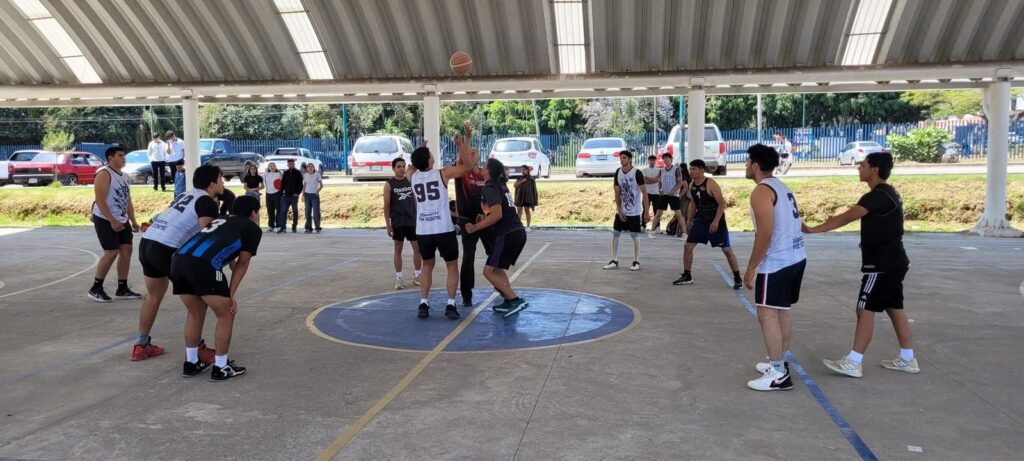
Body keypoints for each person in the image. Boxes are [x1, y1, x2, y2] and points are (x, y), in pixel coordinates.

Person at [805, 153, 918, 378]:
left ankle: (854, 362)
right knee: (894, 307)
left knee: (864, 309)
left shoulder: (877, 195)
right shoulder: (888, 192)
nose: (859, 168)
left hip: (882, 265)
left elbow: (848, 216)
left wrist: (814, 229)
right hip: (894, 261)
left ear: (874, 170)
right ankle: (907, 358)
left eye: (863, 165)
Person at [133, 164, 223, 362]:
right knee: (198, 305)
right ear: (212, 183)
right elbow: (206, 235)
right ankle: (197, 350)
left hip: (148, 243)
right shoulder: (207, 202)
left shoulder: (186, 194)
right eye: (220, 179)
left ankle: (141, 345)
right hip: (167, 248)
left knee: (153, 296)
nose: (223, 183)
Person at [172, 195, 263, 381]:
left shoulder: (221, 219)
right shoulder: (252, 228)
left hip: (178, 261)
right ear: (253, 213)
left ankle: (191, 362)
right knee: (226, 313)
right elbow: (243, 264)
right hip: (203, 265)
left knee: (195, 313)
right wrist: (230, 294)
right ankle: (221, 366)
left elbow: (223, 247)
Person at [740, 144, 807, 391]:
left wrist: (751, 267)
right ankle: (780, 362)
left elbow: (765, 233)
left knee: (767, 314)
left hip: (778, 261)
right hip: (796, 257)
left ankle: (778, 374)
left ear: (756, 165)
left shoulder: (761, 191)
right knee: (780, 312)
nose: (745, 165)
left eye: (748, 161)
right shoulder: (781, 186)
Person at [407, 125, 476, 319]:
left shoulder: (412, 177)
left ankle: (423, 303)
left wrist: (420, 151)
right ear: (429, 160)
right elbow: (468, 166)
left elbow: (411, 167)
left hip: (423, 229)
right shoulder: (442, 173)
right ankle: (451, 304)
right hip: (443, 228)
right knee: (451, 265)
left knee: (427, 265)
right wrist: (461, 145)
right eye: (429, 153)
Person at [466, 158, 529, 316]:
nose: (481, 167)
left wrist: (475, 227)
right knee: (497, 268)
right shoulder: (500, 184)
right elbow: (498, 211)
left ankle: (515, 299)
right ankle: (508, 300)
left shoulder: (490, 187)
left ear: (488, 171)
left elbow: (497, 215)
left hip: (507, 233)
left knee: (488, 271)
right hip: (516, 231)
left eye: (484, 166)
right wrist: (484, 216)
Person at [674, 159, 743, 289]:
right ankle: (687, 275)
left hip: (716, 221)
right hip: (700, 221)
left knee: (727, 250)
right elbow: (694, 203)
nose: (691, 171)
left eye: (694, 169)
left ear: (702, 170)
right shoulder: (692, 184)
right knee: (687, 247)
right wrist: (689, 220)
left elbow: (722, 203)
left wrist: (716, 221)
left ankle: (737, 278)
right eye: (690, 169)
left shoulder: (711, 183)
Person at [88, 146, 142, 302]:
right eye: (120, 155)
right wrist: (112, 220)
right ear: (110, 158)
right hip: (105, 218)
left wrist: (133, 221)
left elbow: (128, 200)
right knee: (111, 252)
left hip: (121, 218)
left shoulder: (124, 176)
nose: (123, 158)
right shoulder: (104, 174)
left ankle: (122, 288)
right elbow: (100, 200)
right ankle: (95, 288)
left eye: (124, 155)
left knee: (127, 250)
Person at [603, 150, 649, 272]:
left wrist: (646, 212)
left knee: (634, 235)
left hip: (634, 211)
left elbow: (645, 193)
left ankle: (636, 261)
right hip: (622, 211)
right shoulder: (618, 172)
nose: (622, 160)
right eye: (621, 158)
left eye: (624, 158)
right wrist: (619, 210)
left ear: (630, 159)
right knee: (616, 233)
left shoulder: (637, 173)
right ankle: (614, 260)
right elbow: (617, 193)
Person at [453, 149, 488, 307]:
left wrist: (487, 214)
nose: (472, 156)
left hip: (485, 220)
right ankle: (467, 294)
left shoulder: (484, 174)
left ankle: (501, 286)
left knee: (494, 253)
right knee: (468, 256)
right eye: (469, 154)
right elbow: (461, 160)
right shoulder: (461, 173)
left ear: (479, 157)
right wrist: (464, 144)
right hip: (467, 221)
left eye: (475, 154)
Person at [385, 157, 422, 289]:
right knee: (398, 249)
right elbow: (386, 206)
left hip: (412, 220)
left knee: (417, 248)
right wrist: (388, 225)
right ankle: (399, 278)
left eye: (403, 166)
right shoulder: (389, 184)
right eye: (399, 166)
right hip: (398, 221)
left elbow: (417, 165)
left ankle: (418, 276)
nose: (401, 169)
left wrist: (423, 150)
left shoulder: (410, 180)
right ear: (393, 169)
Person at [649, 153, 687, 239]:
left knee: (679, 215)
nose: (666, 160)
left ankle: (685, 234)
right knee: (658, 214)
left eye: (667, 158)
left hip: (674, 195)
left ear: (671, 159)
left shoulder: (676, 169)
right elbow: (659, 181)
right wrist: (660, 190)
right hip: (663, 195)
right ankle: (652, 232)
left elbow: (680, 182)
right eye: (664, 158)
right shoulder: (661, 170)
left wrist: (673, 191)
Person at [278, 158, 302, 233]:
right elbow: (282, 184)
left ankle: (294, 227)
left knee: (295, 211)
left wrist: (297, 193)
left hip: (294, 197)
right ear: (287, 165)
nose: (291, 165)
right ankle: (283, 227)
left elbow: (300, 185)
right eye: (290, 164)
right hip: (285, 196)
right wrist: (281, 194)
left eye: (292, 164)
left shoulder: (298, 173)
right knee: (283, 211)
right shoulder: (285, 173)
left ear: (294, 164)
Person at [514, 165, 538, 232]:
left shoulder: (531, 179)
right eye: (521, 170)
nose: (522, 171)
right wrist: (521, 181)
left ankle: (528, 226)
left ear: (527, 170)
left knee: (527, 211)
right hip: (519, 197)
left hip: (527, 198)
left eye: (523, 170)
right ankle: (518, 226)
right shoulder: (519, 178)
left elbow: (533, 190)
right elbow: (515, 185)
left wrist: (533, 199)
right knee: (519, 211)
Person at [641, 155, 662, 233]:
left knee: (657, 210)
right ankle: (643, 225)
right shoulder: (644, 170)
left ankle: (657, 226)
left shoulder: (659, 170)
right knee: (645, 209)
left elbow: (659, 180)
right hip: (647, 193)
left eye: (653, 160)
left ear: (655, 161)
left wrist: (648, 178)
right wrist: (655, 180)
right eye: (650, 160)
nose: (652, 162)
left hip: (656, 193)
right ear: (648, 161)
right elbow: (644, 181)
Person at [302, 163, 323, 233]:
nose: (310, 168)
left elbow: (321, 185)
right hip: (307, 195)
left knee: (316, 211)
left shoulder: (317, 174)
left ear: (314, 168)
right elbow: (304, 185)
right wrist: (303, 195)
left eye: (311, 167)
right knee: (307, 212)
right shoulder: (305, 175)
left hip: (314, 195)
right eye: (309, 167)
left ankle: (317, 227)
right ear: (307, 168)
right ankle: (308, 227)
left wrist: (318, 191)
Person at [263, 162, 283, 231]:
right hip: (268, 194)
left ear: (276, 167)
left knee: (278, 210)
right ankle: (271, 226)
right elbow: (261, 181)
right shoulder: (266, 174)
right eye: (271, 166)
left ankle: (278, 225)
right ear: (268, 167)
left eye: (273, 166)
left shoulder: (279, 173)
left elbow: (284, 180)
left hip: (277, 194)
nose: (272, 167)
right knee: (270, 210)